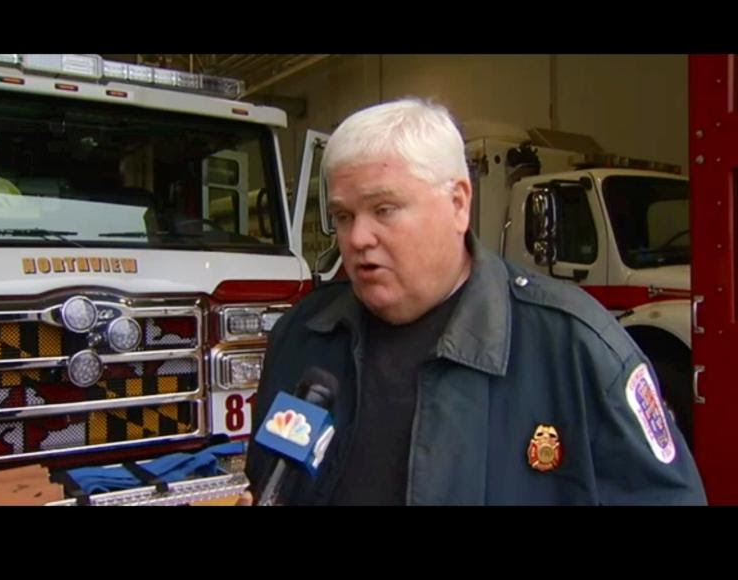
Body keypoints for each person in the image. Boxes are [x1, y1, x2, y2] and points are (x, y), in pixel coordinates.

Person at [243, 98, 706, 505]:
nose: (358, 237)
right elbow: (268, 480)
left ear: (458, 204)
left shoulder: (574, 347)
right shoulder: (303, 336)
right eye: (344, 216)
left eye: (384, 209)